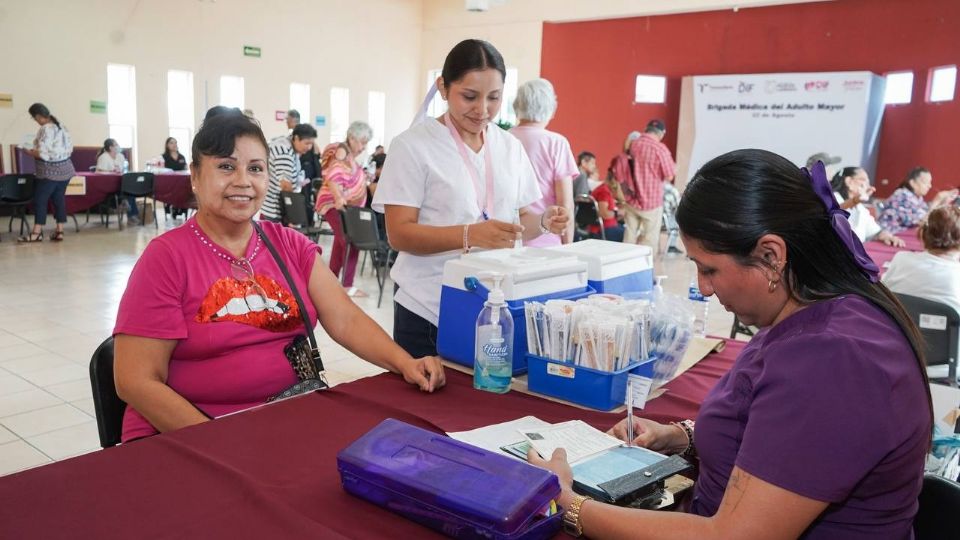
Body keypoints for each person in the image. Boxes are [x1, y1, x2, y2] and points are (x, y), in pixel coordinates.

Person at [530, 150, 932, 539]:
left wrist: (569, 504)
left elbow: (734, 535)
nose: (703, 288)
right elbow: (784, 436)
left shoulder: (831, 360)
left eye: (710, 269)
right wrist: (686, 437)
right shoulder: (818, 318)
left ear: (771, 256)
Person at [112, 113, 444, 443]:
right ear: (196, 176)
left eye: (255, 168)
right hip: (191, 434)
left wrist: (406, 363)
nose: (243, 180)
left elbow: (345, 319)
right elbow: (135, 380)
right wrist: (215, 439)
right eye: (226, 166)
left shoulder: (289, 244)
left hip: (285, 421)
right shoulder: (166, 258)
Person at [372, 39, 569, 358]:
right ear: (443, 87)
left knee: (487, 403)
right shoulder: (413, 146)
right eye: (469, 96)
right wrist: (470, 234)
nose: (482, 110)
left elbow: (519, 224)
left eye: (494, 98)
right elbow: (399, 234)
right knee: (426, 402)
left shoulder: (509, 147)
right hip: (427, 305)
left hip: (495, 303)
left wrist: (544, 222)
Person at [883, 205, 960, 378]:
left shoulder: (900, 260)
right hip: (947, 367)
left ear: (924, 234)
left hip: (899, 355)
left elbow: (882, 299)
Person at [509, 78, 578, 246]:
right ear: (551, 108)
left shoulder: (504, 138)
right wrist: (568, 246)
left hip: (511, 237)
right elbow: (565, 204)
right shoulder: (556, 143)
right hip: (547, 238)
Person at [314, 122, 374, 297]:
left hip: (342, 205)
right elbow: (333, 177)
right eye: (362, 142)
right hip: (334, 204)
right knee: (350, 241)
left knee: (342, 241)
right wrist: (339, 197)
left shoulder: (349, 156)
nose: (364, 147)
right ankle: (347, 285)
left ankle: (332, 280)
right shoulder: (342, 151)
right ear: (352, 138)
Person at [19, 103, 76, 243]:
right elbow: (69, 149)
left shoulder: (45, 129)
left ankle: (36, 233)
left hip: (49, 172)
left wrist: (28, 151)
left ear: (38, 116)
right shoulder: (62, 126)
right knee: (59, 199)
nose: (36, 121)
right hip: (66, 170)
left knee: (40, 200)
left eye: (34, 118)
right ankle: (60, 231)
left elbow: (42, 154)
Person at [621, 119, 676, 252]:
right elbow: (669, 175)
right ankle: (643, 269)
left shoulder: (633, 144)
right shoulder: (660, 149)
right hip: (651, 202)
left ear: (646, 129)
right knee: (648, 241)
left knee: (629, 236)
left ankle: (623, 266)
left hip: (631, 199)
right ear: (662, 133)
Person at [830, 166, 905, 247]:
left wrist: (887, 236)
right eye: (864, 180)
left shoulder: (860, 207)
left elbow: (875, 231)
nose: (868, 185)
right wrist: (855, 200)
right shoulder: (833, 197)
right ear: (849, 181)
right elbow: (833, 211)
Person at [261, 123, 317, 222]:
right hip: (274, 210)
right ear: (296, 138)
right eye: (307, 143)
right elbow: (286, 186)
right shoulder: (284, 153)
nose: (309, 147)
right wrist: (292, 216)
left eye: (311, 144)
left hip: (273, 208)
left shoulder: (288, 144)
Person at [877, 167, 958, 234]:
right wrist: (937, 200)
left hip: (905, 235)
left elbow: (928, 214)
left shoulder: (917, 198)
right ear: (913, 183)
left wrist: (944, 202)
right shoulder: (902, 196)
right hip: (891, 236)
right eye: (925, 182)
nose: (929, 186)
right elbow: (925, 221)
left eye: (930, 182)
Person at [588, 172, 625, 242]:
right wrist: (619, 213)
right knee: (632, 235)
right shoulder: (604, 192)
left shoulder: (603, 188)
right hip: (604, 230)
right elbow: (604, 213)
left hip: (605, 227)